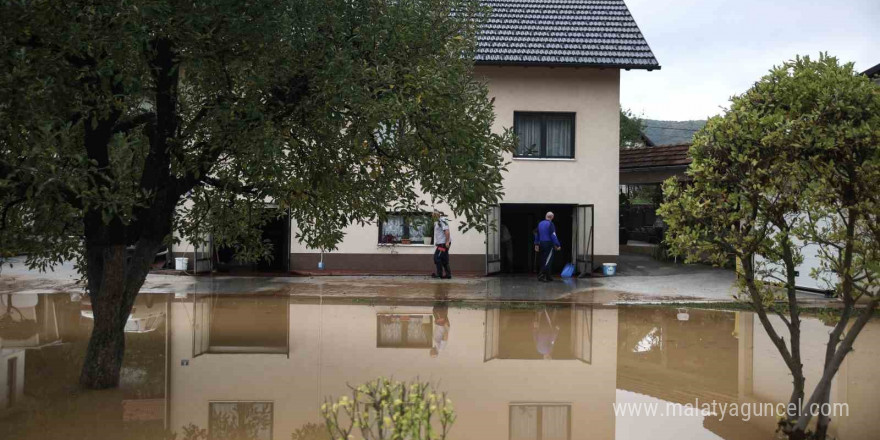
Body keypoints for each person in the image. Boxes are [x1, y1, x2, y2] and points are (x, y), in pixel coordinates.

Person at [534, 212, 561, 282]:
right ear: (552, 217)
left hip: (541, 243)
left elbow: (536, 234)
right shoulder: (550, 224)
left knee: (543, 259)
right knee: (548, 260)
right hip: (548, 244)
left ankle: (548, 276)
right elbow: (553, 235)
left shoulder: (540, 223)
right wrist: (557, 244)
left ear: (546, 216)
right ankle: (541, 275)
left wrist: (536, 244)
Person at [431, 210, 452, 279]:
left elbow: (447, 231)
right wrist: (437, 242)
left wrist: (447, 242)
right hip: (441, 243)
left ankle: (439, 274)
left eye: (434, 215)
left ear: (437, 215)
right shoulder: (437, 222)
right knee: (444, 258)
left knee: (437, 257)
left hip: (443, 244)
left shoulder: (442, 220)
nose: (433, 217)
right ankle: (448, 275)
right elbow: (439, 233)